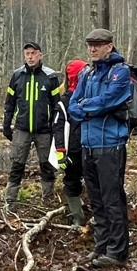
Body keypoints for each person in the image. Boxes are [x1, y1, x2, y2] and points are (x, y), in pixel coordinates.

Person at [67, 29, 131, 268]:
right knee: (96, 200)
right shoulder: (86, 73)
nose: (92, 49)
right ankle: (101, 245)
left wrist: (88, 106)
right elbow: (73, 105)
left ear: (109, 46)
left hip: (110, 145)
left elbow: (110, 100)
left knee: (113, 199)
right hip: (88, 145)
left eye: (98, 45)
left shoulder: (121, 72)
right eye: (90, 45)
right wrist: (89, 106)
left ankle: (117, 251)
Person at [3, 42, 64, 205]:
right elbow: (10, 102)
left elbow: (57, 105)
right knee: (17, 165)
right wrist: (6, 124)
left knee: (47, 166)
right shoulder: (17, 76)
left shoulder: (50, 76)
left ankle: (47, 199)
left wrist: (56, 128)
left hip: (44, 130)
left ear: (40, 55)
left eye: (33, 53)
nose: (30, 57)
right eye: (27, 54)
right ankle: (10, 201)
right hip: (22, 128)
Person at [56, 59, 89, 227]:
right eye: (83, 72)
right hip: (73, 149)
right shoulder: (65, 100)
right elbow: (58, 126)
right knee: (71, 181)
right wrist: (60, 152)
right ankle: (77, 216)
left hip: (91, 147)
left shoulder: (91, 94)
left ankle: (98, 215)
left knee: (93, 180)